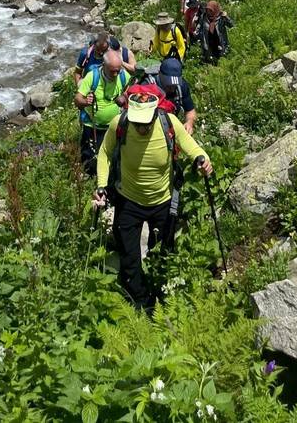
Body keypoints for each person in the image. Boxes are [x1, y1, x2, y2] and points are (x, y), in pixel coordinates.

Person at [94, 88, 212, 309]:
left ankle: (162, 295)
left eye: (145, 123)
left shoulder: (169, 122)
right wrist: (101, 185)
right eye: (137, 123)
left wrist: (201, 158)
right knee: (129, 259)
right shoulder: (119, 124)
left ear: (155, 113)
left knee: (163, 254)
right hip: (128, 201)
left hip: (163, 202)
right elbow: (104, 153)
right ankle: (140, 303)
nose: (141, 128)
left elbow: (190, 145)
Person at [75, 50, 129, 176]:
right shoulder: (92, 76)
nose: (116, 74)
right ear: (103, 65)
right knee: (90, 158)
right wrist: (85, 102)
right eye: (112, 71)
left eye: (118, 70)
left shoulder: (123, 75)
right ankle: (89, 181)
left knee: (114, 157)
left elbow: (134, 85)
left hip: (114, 127)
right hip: (92, 126)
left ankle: (111, 181)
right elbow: (77, 99)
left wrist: (125, 96)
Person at [158, 56, 197, 134]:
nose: (172, 89)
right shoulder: (147, 87)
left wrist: (189, 123)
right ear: (159, 75)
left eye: (174, 85)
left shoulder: (182, 86)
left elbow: (190, 111)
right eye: (168, 85)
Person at [199, 0, 234, 64]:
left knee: (221, 59)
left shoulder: (221, 17)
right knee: (210, 60)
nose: (209, 12)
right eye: (208, 10)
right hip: (208, 41)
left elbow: (231, 25)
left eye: (211, 10)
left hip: (219, 42)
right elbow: (200, 26)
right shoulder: (204, 16)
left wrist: (226, 17)